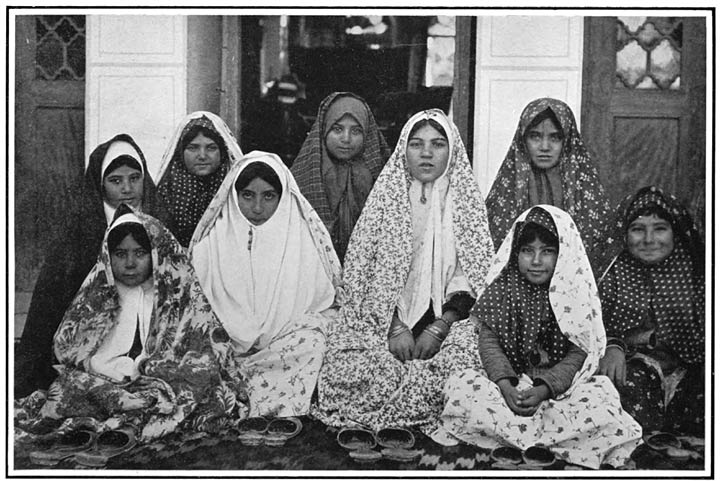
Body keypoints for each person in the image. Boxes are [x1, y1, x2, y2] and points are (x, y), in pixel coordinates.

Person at [313, 109, 495, 434]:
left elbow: (475, 281)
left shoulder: (466, 204)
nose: (426, 153)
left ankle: (401, 411)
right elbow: (361, 279)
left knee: (470, 367)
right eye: (417, 144)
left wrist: (441, 327)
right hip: (386, 322)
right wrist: (394, 327)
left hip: (449, 322)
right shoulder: (385, 201)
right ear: (403, 151)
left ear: (452, 153)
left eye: (438, 144)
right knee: (344, 366)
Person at [437, 205, 642, 469]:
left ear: (564, 254)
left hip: (560, 391)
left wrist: (546, 388)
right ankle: (547, 444)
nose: (536, 261)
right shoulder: (504, 287)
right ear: (515, 252)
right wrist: (505, 384)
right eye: (527, 251)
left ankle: (509, 441)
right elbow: (489, 341)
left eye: (547, 252)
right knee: (462, 386)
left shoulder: (573, 290)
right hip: (509, 384)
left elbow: (579, 352)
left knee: (602, 398)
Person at [15, 209, 247, 442]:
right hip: (105, 379)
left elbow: (198, 345)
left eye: (140, 253)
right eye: (120, 254)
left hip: (163, 375)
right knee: (71, 385)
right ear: (107, 255)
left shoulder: (176, 294)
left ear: (157, 254)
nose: (129, 264)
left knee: (198, 382)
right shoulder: (98, 294)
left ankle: (126, 422)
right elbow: (68, 350)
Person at [15, 134, 171, 398]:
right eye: (115, 181)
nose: (127, 189)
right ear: (100, 185)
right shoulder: (79, 232)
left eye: (135, 178)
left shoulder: (161, 220)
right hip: (94, 340)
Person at [189, 151, 342, 418]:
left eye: (268, 196)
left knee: (313, 341)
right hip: (225, 351)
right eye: (248, 195)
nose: (257, 207)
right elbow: (196, 311)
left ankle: (266, 406)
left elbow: (321, 305)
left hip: (281, 349)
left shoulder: (301, 240)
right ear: (234, 196)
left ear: (282, 197)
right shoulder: (209, 246)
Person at [598, 186, 705, 436]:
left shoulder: (696, 272)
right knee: (613, 387)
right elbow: (593, 326)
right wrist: (612, 346)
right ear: (623, 234)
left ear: (675, 232)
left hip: (688, 369)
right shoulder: (610, 273)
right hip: (634, 366)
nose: (648, 240)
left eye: (660, 228)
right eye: (637, 229)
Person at [485, 97, 613, 276]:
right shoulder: (507, 188)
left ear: (567, 141)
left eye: (555, 137)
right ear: (523, 140)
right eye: (535, 136)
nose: (544, 147)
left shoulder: (584, 190)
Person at [291, 92, 391, 263]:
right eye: (337, 129)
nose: (346, 139)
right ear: (324, 129)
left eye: (356, 131)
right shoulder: (304, 175)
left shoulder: (384, 178)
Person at [156, 111, 243, 247]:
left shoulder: (235, 190)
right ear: (180, 151)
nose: (202, 155)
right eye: (193, 148)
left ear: (223, 152)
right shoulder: (166, 192)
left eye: (211, 148)